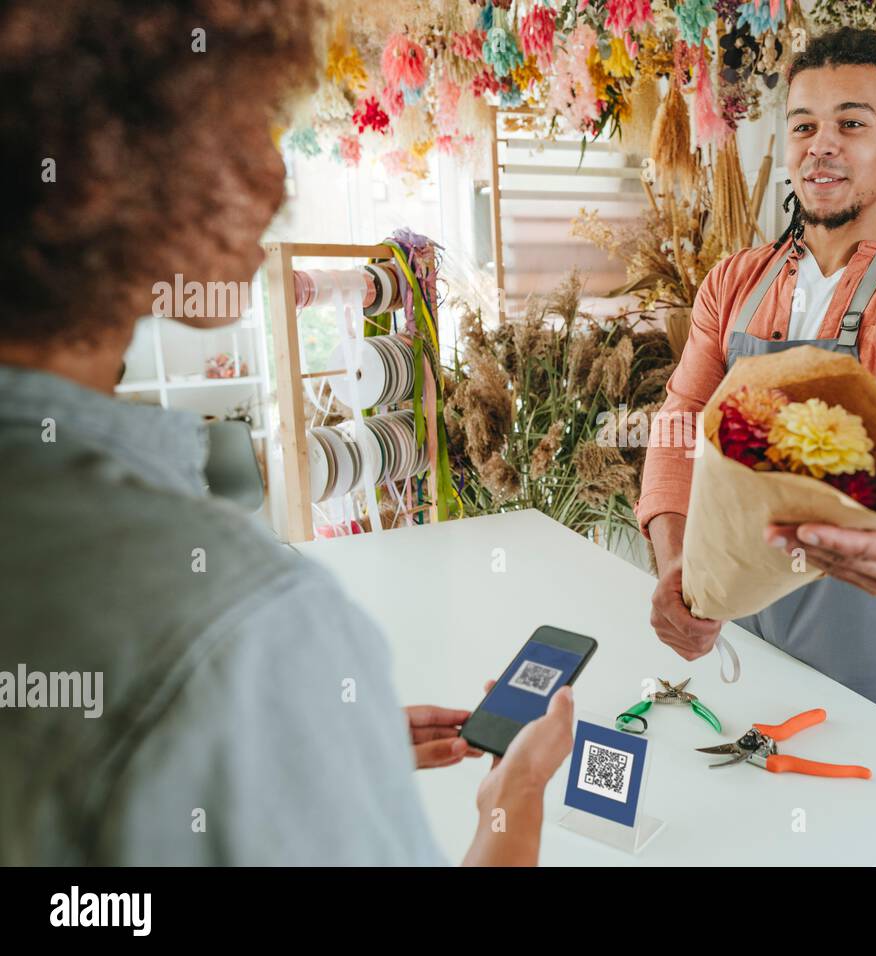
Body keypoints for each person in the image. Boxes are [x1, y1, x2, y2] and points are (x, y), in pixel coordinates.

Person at [0, 0, 571, 865]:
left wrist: (301, 762)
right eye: (242, 120)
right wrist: (513, 799)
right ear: (94, 165)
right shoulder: (236, 624)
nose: (278, 182)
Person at [637, 27, 876, 733]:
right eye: (803, 125)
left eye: (852, 124)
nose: (821, 144)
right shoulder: (734, 283)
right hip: (734, 614)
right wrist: (678, 570)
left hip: (865, 635)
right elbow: (682, 419)